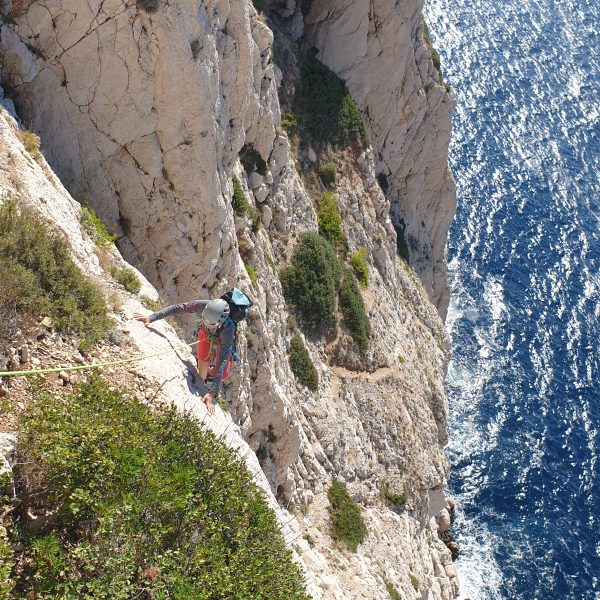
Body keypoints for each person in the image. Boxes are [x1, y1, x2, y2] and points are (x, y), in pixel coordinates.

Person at [133, 298, 235, 415]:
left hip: (221, 341)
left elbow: (223, 361)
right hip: (205, 333)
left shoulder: (228, 330)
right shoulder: (203, 305)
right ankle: (201, 382)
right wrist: (151, 317)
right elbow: (179, 308)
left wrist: (211, 394)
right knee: (203, 359)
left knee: (223, 373)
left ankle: (209, 378)